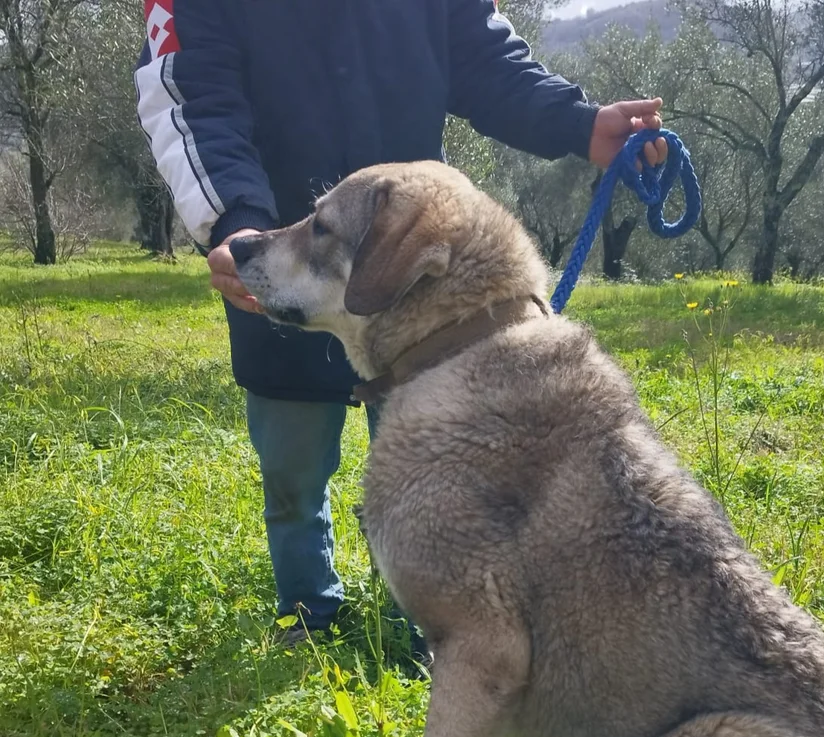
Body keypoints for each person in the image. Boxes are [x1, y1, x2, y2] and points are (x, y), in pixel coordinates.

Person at [135, 0, 665, 649]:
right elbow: (193, 94)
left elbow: (481, 57)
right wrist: (235, 220)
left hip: (420, 290)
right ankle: (308, 611)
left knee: (440, 474)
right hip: (282, 266)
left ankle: (435, 622)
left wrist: (579, 124)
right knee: (292, 472)